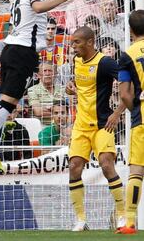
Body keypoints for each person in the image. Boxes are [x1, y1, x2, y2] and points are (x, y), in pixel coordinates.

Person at [0, 0, 75, 176]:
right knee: (7, 104)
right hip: (21, 54)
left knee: (6, 105)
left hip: (12, 50)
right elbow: (38, 7)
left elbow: (26, 23)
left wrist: (42, 41)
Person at [65, 26, 125, 231]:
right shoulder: (76, 61)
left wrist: (117, 113)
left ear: (90, 42)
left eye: (77, 43)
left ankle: (122, 215)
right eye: (72, 42)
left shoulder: (105, 63)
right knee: (74, 167)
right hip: (81, 124)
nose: (73, 47)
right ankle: (81, 220)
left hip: (102, 124)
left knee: (106, 165)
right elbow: (80, 85)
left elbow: (129, 85)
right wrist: (70, 89)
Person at [117, 10, 144, 234]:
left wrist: (135, 108)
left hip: (142, 116)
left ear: (131, 30)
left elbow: (124, 94)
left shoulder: (127, 55)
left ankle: (130, 222)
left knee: (137, 169)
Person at [27, 61, 65, 126]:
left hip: (61, 128)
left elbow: (69, 111)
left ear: (55, 74)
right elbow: (38, 112)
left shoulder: (63, 89)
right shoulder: (32, 90)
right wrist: (60, 112)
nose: (47, 74)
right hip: (41, 128)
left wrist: (50, 109)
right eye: (45, 71)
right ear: (38, 75)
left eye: (50, 71)